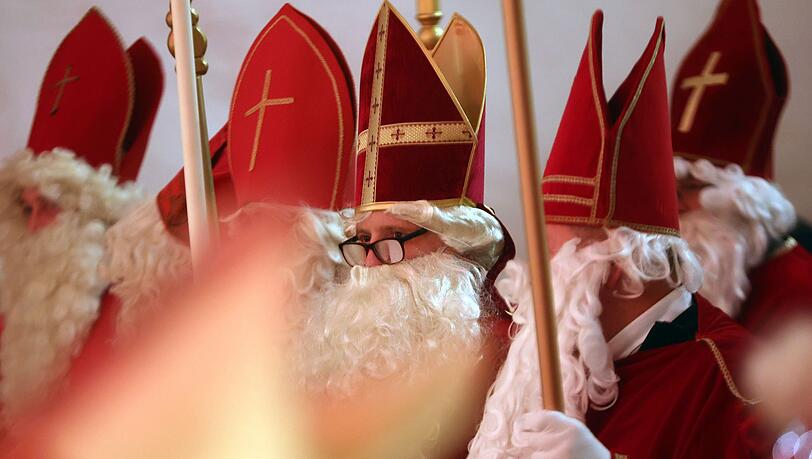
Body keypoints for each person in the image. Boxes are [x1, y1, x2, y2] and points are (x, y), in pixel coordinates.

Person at [290, 4, 603, 458]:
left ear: (457, 243)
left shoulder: (513, 358)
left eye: (395, 237)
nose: (374, 261)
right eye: (364, 241)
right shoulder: (344, 348)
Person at [471, 11, 771, 458]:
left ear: (616, 267)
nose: (538, 279)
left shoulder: (734, 380)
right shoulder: (560, 359)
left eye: (554, 256)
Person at [0, 8, 162, 427]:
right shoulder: (13, 303)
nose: (35, 225)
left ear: (98, 215)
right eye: (27, 208)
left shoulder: (137, 313)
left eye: (50, 206)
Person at [670, 0, 812, 330]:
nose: (675, 205)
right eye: (670, 186)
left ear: (748, 199)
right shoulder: (671, 288)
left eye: (692, 187)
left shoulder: (801, 294)